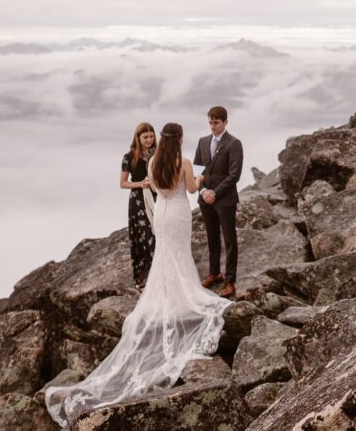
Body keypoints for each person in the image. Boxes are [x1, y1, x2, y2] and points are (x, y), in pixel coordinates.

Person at [46, 123, 232, 427]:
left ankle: (170, 297)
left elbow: (156, 189)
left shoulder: (152, 162)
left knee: (164, 256)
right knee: (179, 254)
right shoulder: (182, 162)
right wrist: (200, 177)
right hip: (180, 212)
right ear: (180, 139)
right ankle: (183, 298)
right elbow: (191, 188)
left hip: (162, 213)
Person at [192, 106, 244, 298]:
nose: (213, 126)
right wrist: (203, 190)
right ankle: (214, 273)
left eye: (217, 122)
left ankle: (230, 281)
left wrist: (215, 192)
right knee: (211, 237)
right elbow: (198, 171)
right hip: (205, 198)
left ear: (225, 122)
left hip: (225, 199)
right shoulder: (203, 142)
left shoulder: (234, 143)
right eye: (210, 122)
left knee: (229, 240)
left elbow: (234, 175)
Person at [120, 122, 156, 291]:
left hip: (156, 196)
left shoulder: (157, 153)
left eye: (151, 136)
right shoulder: (129, 157)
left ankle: (157, 274)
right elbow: (123, 183)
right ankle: (141, 277)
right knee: (142, 235)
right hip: (138, 199)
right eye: (145, 137)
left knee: (157, 234)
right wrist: (141, 184)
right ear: (138, 138)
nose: (149, 140)